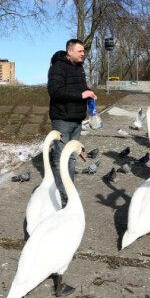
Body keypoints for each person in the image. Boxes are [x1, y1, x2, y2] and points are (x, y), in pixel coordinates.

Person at [47, 39, 96, 203]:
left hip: (77, 120)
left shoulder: (80, 68)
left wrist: (89, 93)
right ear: (70, 51)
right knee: (61, 157)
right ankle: (60, 194)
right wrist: (81, 95)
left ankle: (69, 190)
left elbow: (79, 89)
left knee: (73, 156)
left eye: (83, 51)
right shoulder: (58, 67)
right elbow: (55, 91)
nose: (83, 54)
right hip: (62, 119)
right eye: (80, 51)